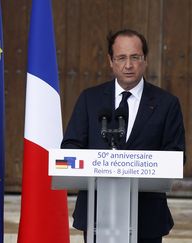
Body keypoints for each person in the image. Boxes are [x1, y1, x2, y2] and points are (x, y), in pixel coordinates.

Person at [61, 29, 186, 243]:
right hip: (97, 213)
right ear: (111, 61)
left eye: (135, 57)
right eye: (121, 58)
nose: (128, 65)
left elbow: (177, 155)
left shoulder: (167, 103)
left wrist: (137, 164)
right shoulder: (90, 99)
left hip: (147, 215)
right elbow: (70, 147)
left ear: (145, 60)